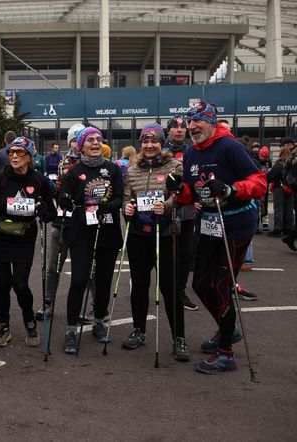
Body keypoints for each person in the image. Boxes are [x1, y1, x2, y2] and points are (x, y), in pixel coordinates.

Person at [167, 100, 266, 374]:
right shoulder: (190, 153)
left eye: (198, 120)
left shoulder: (231, 147)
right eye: (190, 121)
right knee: (199, 284)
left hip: (236, 224)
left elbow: (259, 181)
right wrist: (178, 189)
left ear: (211, 121)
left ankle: (226, 353)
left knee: (221, 286)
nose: (192, 126)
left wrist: (232, 189)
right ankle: (227, 329)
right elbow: (191, 193)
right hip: (209, 223)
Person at [121, 123, 189, 362]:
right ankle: (138, 330)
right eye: (145, 141)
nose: (149, 145)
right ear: (141, 144)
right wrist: (127, 208)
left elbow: (180, 196)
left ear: (162, 143)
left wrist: (167, 206)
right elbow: (126, 199)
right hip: (139, 234)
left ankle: (179, 338)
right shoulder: (132, 170)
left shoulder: (175, 165)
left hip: (166, 232)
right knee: (139, 285)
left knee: (170, 287)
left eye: (154, 141)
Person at [0, 136, 56, 347]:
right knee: (3, 283)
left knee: (21, 284)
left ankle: (29, 321)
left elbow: (51, 213)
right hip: (0, 234)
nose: (14, 156)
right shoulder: (2, 178)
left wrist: (44, 211)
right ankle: (3, 326)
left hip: (24, 236)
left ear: (29, 156)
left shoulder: (39, 180)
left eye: (19, 152)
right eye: (11, 152)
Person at [60, 126, 123, 353]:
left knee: (103, 282)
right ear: (81, 145)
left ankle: (98, 323)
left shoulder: (113, 169)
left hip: (107, 230)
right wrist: (66, 200)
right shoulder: (74, 171)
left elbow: (119, 198)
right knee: (79, 280)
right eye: (90, 140)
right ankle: (70, 330)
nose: (95, 143)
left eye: (98, 139)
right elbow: (64, 197)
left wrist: (105, 206)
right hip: (82, 232)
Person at [38, 123, 83, 320]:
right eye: (74, 140)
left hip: (85, 226)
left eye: (81, 139)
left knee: (87, 270)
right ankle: (48, 304)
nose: (77, 144)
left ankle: (96, 309)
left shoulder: (100, 165)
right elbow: (57, 190)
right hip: (62, 222)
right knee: (53, 266)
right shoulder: (63, 163)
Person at [164, 115, 199, 311]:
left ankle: (180, 292)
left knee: (185, 254)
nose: (179, 130)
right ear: (168, 130)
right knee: (166, 254)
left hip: (188, 211)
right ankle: (167, 289)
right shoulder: (161, 151)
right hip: (166, 211)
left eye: (182, 127)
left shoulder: (192, 151)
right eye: (175, 127)